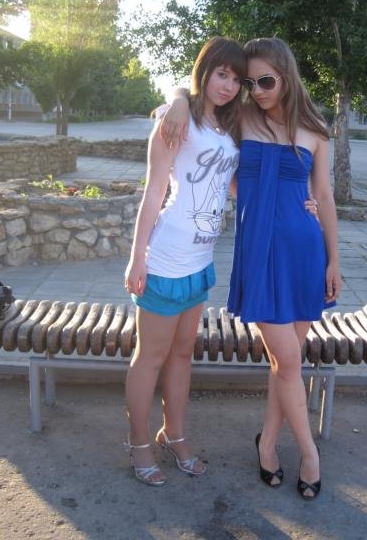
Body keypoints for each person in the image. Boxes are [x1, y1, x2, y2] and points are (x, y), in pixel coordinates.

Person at [161, 37, 342, 500]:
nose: (256, 90)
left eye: (265, 81)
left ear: (286, 77)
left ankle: (266, 444)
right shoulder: (241, 117)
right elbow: (195, 100)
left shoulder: (315, 128)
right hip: (259, 253)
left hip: (304, 252)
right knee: (289, 361)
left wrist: (335, 261)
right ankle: (310, 455)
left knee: (284, 363)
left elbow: (324, 197)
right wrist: (178, 99)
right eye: (249, 83)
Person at [123, 36, 246, 486]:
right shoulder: (177, 120)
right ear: (205, 71)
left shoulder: (228, 128)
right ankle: (138, 442)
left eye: (236, 79)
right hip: (166, 259)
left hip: (200, 260)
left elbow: (230, 185)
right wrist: (137, 258)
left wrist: (299, 199)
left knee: (181, 355)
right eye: (221, 74)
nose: (228, 85)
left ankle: (174, 434)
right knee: (150, 357)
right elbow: (154, 191)